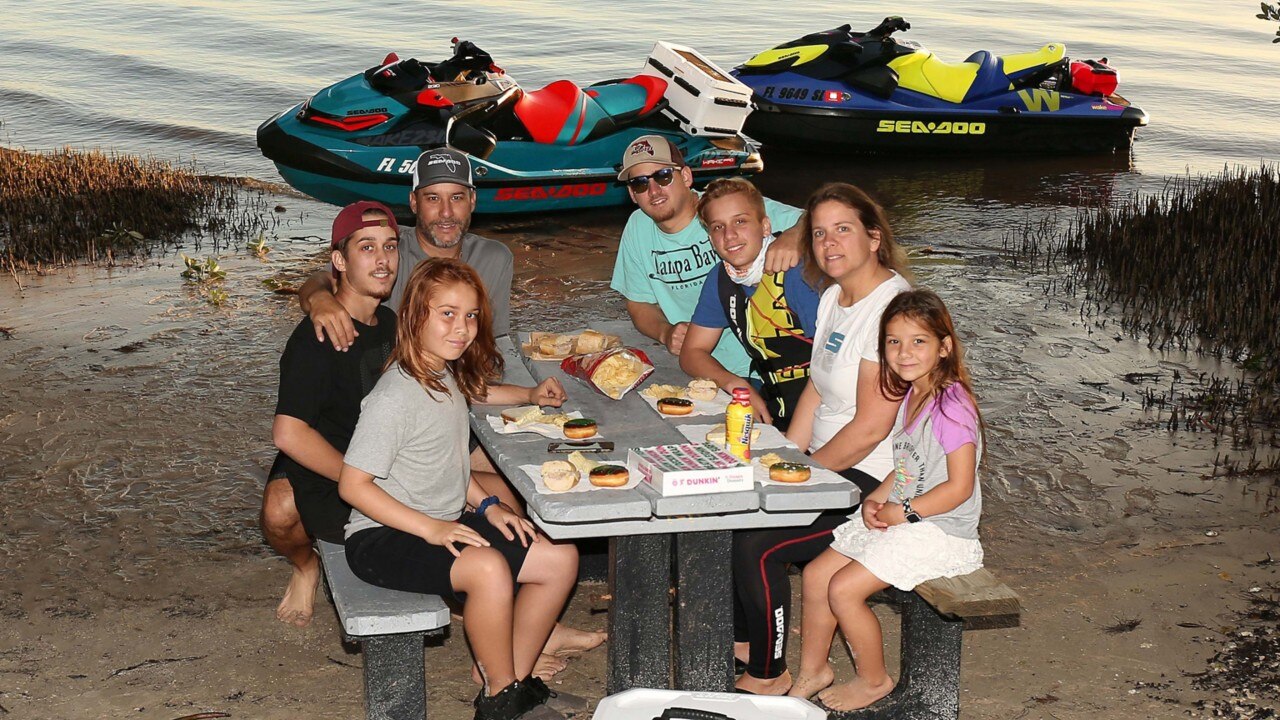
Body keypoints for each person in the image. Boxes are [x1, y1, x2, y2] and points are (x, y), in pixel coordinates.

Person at [340, 259, 580, 720]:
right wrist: (431, 529)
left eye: (470, 315)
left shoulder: (444, 376)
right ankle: (499, 700)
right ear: (415, 316)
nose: (462, 327)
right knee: (487, 569)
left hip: (440, 520)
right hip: (380, 536)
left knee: (558, 556)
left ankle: (511, 682)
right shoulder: (394, 397)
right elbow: (353, 485)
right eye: (446, 313)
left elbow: (445, 467)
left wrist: (488, 505)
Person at [731, 183, 912, 695]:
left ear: (874, 238)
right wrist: (785, 452)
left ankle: (769, 674)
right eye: (818, 233)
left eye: (843, 230)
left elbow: (870, 428)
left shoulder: (890, 311)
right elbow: (815, 385)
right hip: (830, 462)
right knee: (736, 512)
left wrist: (802, 474)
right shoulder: (834, 295)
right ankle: (748, 649)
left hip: (876, 476)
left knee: (760, 547)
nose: (829, 243)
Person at [791, 289, 984, 711]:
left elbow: (959, 487)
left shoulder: (952, 409)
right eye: (894, 341)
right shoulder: (913, 395)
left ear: (944, 347)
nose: (904, 352)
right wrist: (875, 501)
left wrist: (905, 512)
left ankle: (873, 680)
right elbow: (907, 466)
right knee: (817, 574)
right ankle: (813, 671)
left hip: (941, 529)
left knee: (843, 590)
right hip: (907, 513)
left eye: (918, 341)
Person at [264, 201, 402, 628]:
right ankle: (305, 567)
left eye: (390, 246)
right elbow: (288, 434)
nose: (382, 260)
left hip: (375, 451)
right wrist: (358, 480)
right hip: (332, 458)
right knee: (279, 510)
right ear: (340, 261)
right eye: (367, 248)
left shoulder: (392, 323)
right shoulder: (316, 336)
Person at [610, 135, 806, 378]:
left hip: (776, 367)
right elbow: (638, 301)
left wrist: (793, 236)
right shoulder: (637, 228)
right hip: (703, 367)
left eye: (663, 176)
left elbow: (819, 219)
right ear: (631, 193)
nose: (653, 190)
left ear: (685, 176)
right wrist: (666, 332)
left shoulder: (723, 208)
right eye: (639, 183)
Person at [680, 177, 822, 430]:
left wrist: (796, 440)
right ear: (711, 239)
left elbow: (835, 363)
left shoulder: (795, 273)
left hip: (827, 414)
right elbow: (692, 352)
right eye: (717, 227)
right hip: (778, 410)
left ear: (765, 226)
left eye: (740, 221)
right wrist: (735, 384)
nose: (730, 235)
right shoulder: (721, 280)